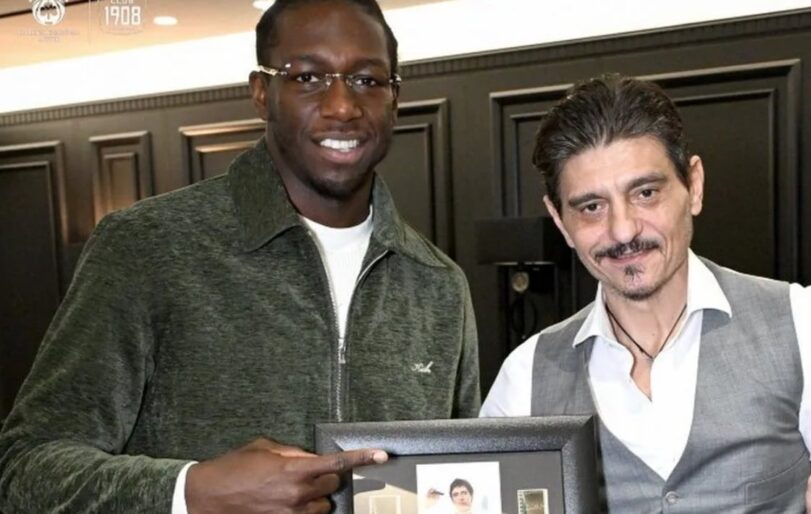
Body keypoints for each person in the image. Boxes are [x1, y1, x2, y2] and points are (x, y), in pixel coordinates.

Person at [0, 0, 479, 512]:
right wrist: (191, 490)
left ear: (394, 98)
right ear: (261, 93)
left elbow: (466, 479)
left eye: (367, 80)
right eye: (308, 77)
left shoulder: (438, 284)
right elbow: (24, 470)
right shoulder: (147, 247)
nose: (342, 105)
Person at [479, 75, 811, 513]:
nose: (623, 230)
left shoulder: (808, 324)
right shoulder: (525, 377)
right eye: (591, 207)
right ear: (560, 220)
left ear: (694, 185)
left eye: (646, 193)